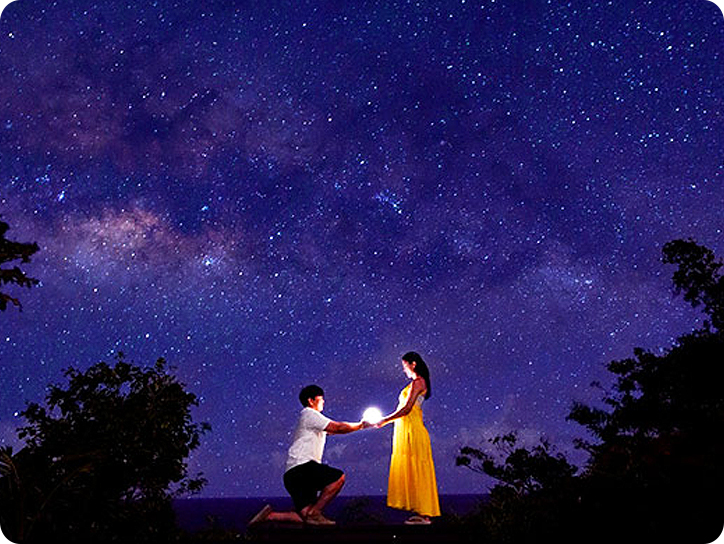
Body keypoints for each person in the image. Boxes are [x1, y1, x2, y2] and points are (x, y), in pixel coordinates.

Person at [249, 384, 369, 526]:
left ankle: (270, 516)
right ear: (311, 401)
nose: (323, 401)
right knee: (338, 478)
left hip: (292, 475)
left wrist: (364, 425)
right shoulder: (309, 414)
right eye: (321, 398)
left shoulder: (311, 421)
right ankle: (315, 513)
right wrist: (361, 425)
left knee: (305, 517)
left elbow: (336, 430)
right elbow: (338, 427)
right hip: (302, 468)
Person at [376, 351, 440, 524]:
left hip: (413, 429)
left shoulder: (418, 382)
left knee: (417, 468)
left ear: (413, 364)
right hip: (406, 428)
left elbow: (407, 408)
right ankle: (420, 510)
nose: (403, 370)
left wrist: (384, 420)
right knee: (411, 468)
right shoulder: (415, 383)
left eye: (405, 366)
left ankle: (425, 514)